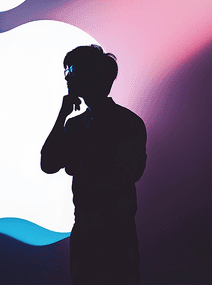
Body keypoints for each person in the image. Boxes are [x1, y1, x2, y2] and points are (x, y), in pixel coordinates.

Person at [40, 45, 147, 285]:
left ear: (92, 75)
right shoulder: (76, 125)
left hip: (116, 236)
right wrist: (62, 115)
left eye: (72, 69)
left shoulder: (127, 123)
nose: (67, 76)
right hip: (85, 235)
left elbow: (129, 172)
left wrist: (80, 161)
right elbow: (48, 163)